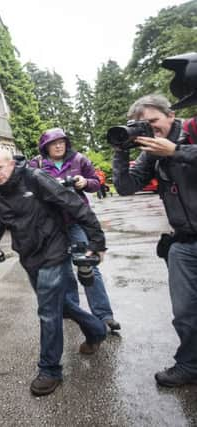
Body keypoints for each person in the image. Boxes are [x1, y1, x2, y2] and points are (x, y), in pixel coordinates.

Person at [0, 148, 107, 396]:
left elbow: (74, 205)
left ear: (11, 164)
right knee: (59, 305)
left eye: (0, 168)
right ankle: (96, 329)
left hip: (54, 250)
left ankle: (50, 369)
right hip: (29, 256)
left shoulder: (35, 178)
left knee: (48, 311)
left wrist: (97, 241)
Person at [113, 94, 197, 387]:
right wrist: (121, 151)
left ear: (170, 115)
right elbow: (125, 187)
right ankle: (189, 365)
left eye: (153, 121)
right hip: (183, 243)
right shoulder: (150, 153)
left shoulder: (191, 131)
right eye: (142, 125)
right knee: (185, 312)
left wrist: (175, 151)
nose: (150, 129)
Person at [30, 128, 120, 332]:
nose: (59, 145)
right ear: (46, 146)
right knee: (63, 270)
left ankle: (104, 315)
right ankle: (74, 313)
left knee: (88, 265)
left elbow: (97, 183)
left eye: (61, 142)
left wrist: (85, 182)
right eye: (54, 143)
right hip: (52, 226)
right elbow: (29, 189)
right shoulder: (37, 164)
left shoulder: (79, 159)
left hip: (77, 220)